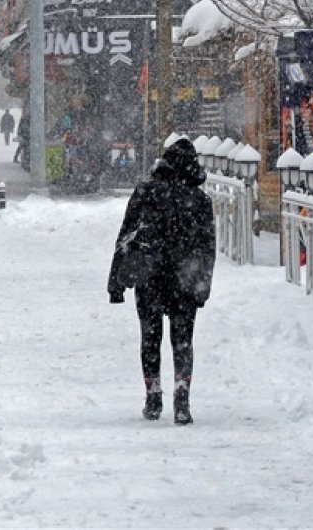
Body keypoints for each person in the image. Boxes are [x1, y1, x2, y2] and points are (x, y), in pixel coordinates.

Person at [107, 137, 216, 425]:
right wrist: (203, 284)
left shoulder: (145, 193)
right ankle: (182, 398)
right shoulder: (200, 200)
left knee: (150, 338)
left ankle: (153, 396)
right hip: (186, 278)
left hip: (149, 275)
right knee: (183, 340)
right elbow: (207, 248)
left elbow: (126, 234)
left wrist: (116, 281)